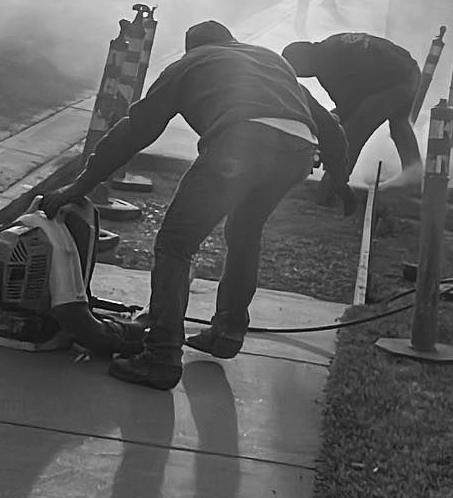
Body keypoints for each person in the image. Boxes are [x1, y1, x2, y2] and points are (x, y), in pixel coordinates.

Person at [38, 20, 347, 391]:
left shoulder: (189, 64)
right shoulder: (268, 60)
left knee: (175, 244)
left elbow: (136, 130)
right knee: (244, 231)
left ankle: (161, 356)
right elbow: (330, 130)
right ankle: (228, 331)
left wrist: (82, 184)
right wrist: (339, 181)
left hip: (242, 140)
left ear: (191, 47)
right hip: (298, 149)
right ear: (230, 39)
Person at [281, 32, 422, 200]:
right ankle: (414, 174)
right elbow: (351, 102)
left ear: (302, 63)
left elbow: (348, 111)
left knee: (353, 131)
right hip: (408, 70)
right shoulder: (329, 45)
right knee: (399, 124)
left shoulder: (325, 67)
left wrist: (323, 124)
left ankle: (333, 187)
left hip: (393, 81)